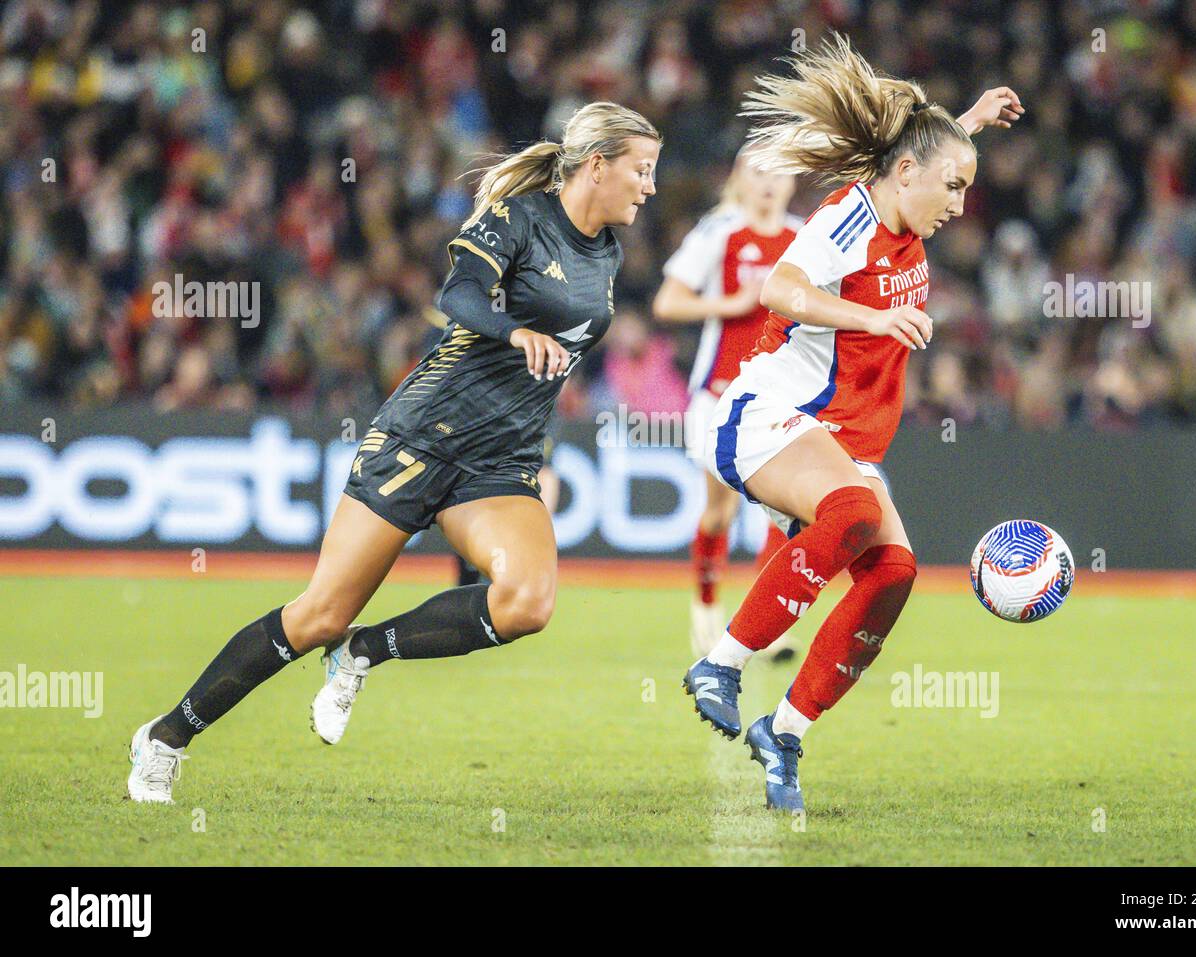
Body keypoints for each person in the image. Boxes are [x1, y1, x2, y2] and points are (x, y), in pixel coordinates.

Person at [127, 102, 662, 803]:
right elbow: (459, 296)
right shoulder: (518, 219)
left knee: (528, 600)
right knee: (318, 611)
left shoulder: (608, 255)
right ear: (597, 165)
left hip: (500, 461)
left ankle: (364, 651)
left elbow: (553, 369)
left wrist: (543, 439)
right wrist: (512, 333)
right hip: (420, 436)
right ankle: (166, 737)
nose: (649, 187)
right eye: (641, 170)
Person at [682, 34, 1024, 812]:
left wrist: (968, 119)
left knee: (894, 572)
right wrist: (873, 311)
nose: (960, 204)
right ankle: (723, 662)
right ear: (907, 173)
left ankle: (787, 730)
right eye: (954, 187)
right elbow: (780, 287)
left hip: (842, 438)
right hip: (772, 414)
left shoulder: (911, 185)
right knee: (855, 512)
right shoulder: (852, 213)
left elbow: (934, 152)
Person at [653, 147, 803, 659]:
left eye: (778, 173)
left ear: (792, 182)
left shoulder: (805, 237)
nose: (767, 183)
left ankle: (766, 626)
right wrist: (735, 304)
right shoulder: (719, 232)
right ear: (739, 179)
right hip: (719, 395)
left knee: (783, 513)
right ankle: (706, 608)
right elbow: (668, 301)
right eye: (757, 172)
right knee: (719, 512)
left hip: (781, 399)